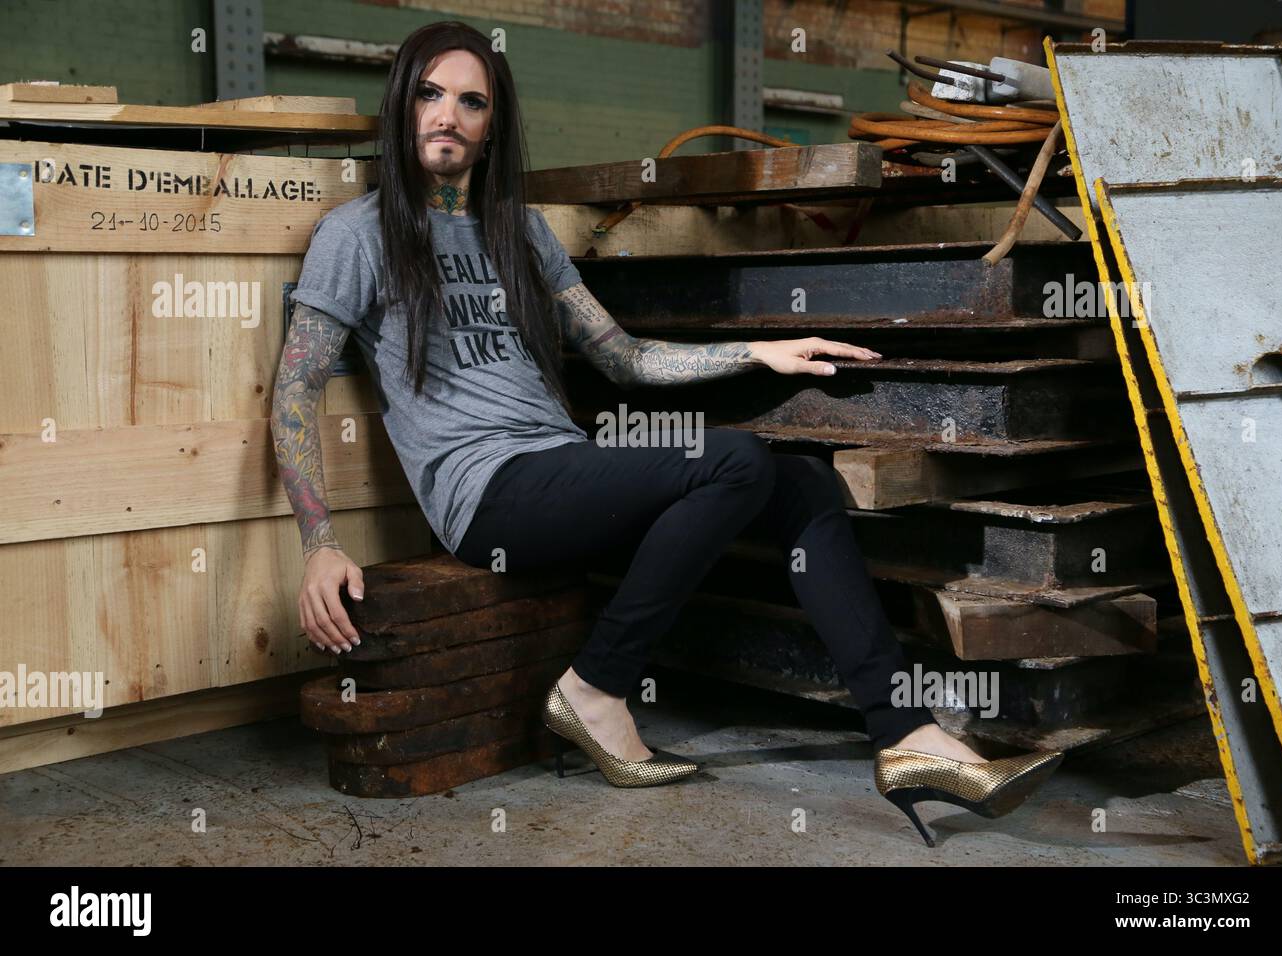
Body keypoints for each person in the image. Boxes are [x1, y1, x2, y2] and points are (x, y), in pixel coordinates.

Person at [271, 20, 1061, 844]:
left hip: (562, 471)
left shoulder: (520, 232)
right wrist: (318, 541)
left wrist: (761, 351)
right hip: (488, 497)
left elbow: (625, 359)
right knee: (735, 460)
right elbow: (294, 387)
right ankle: (595, 688)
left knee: (804, 484)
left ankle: (906, 735)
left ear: (492, 124)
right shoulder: (356, 236)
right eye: (431, 94)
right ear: (401, 103)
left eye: (472, 102)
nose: (448, 116)